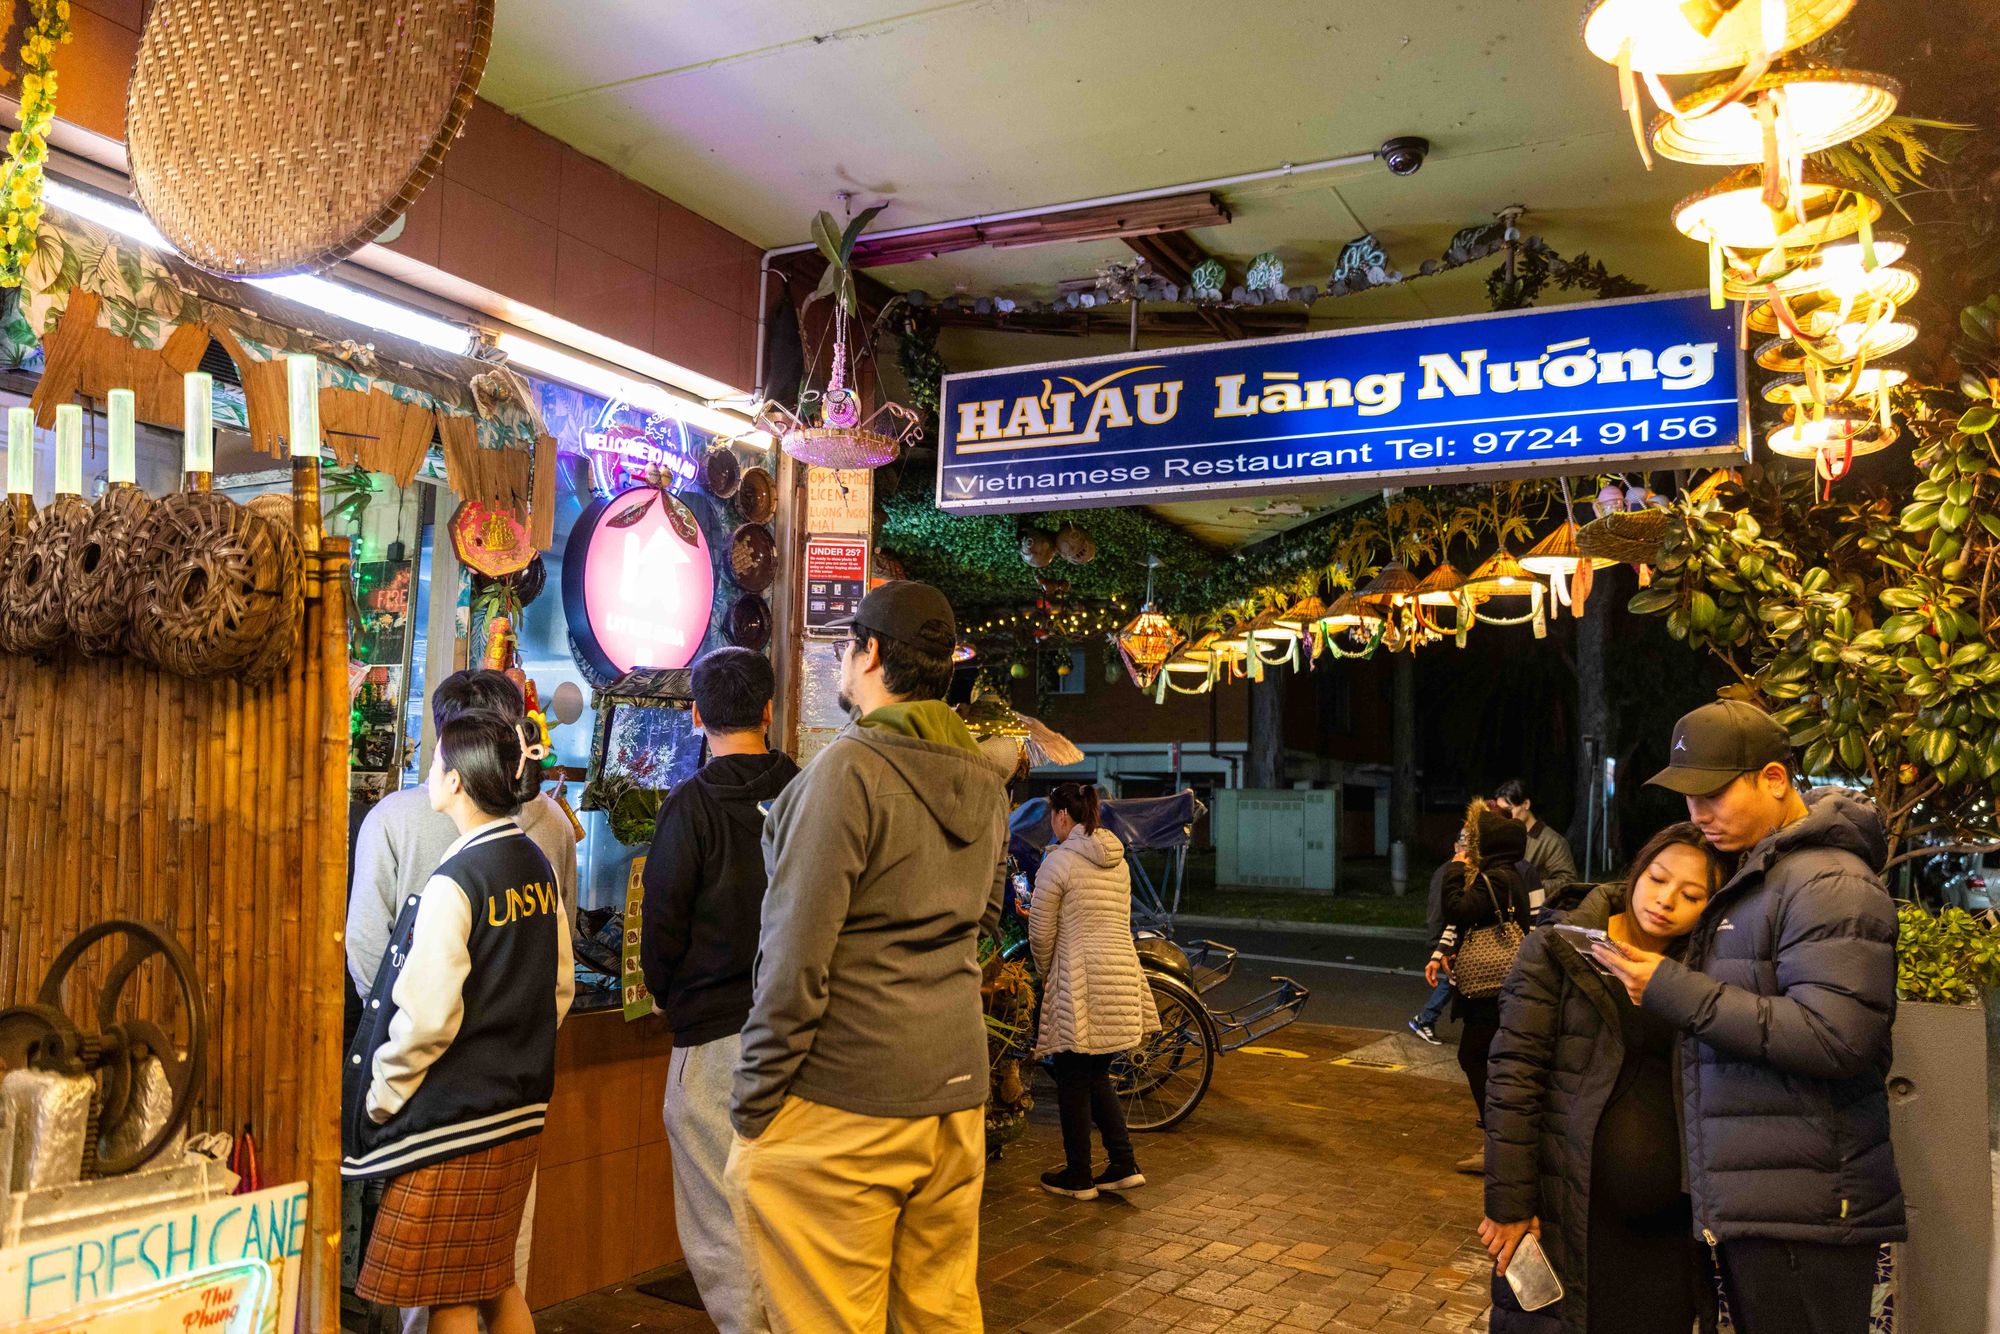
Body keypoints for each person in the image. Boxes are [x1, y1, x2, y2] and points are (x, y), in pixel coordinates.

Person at [729, 581, 1009, 1333]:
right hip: (954, 1094)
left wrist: (752, 1104)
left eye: (845, 647)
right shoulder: (985, 777)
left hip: (847, 1101)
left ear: (871, 653)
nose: (840, 664)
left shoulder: (847, 772)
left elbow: (793, 959)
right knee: (940, 1316)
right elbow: (984, 917)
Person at [1594, 700, 1905, 1334]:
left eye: (1711, 794)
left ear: (1773, 778)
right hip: (1768, 1195)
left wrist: (1671, 989)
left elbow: (1835, 1037)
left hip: (1806, 1206)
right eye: (1687, 798)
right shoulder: (1768, 874)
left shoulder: (1828, 882)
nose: (1696, 814)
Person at [346, 669, 578, 1329]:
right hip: (518, 1104)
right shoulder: (536, 852)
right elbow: (556, 984)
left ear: (457, 772)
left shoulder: (453, 878)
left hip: (444, 1109)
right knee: (498, 1278)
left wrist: (385, 1091)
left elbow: (416, 1011)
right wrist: (511, 1043)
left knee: (445, 1291)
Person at [1479, 823, 1725, 1334]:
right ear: (1637, 870)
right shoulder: (1558, 949)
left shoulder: (1703, 972)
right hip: (1573, 1214)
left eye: (1692, 894)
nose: (1665, 900)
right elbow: (1513, 1077)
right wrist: (1508, 1203)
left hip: (1669, 1231)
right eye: (1657, 879)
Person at [639, 648, 798, 1334]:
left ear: (696, 714)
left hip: (712, 1040)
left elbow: (661, 927)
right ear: (768, 710)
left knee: (721, 1218)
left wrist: (675, 1001)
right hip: (802, 1034)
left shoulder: (690, 805)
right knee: (793, 1213)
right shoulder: (807, 789)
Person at [1029, 781, 1159, 1201]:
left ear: (1063, 816)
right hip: (1120, 975)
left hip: (1080, 979)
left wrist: (1047, 973)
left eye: (1053, 816)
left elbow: (1041, 931)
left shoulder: (1059, 863)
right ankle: (1123, 1164)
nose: (1052, 824)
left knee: (1070, 1075)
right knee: (1096, 1073)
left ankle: (1079, 1175)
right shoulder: (1117, 861)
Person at [1441, 809, 1533, 1171]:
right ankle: (1497, 1141)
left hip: (1488, 990)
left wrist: (1455, 868)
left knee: (1475, 1057)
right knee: (1486, 1059)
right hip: (1501, 987)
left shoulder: (1492, 878)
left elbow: (1455, 908)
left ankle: (1495, 1143)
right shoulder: (1510, 875)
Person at [1410, 822, 1475, 1046]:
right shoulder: (1447, 872)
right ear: (1455, 846)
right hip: (1446, 939)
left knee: (1454, 979)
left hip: (1453, 938)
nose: (1466, 852)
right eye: (1463, 846)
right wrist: (1439, 944)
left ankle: (1425, 1019)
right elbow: (1438, 910)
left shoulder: (1461, 870)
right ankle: (1424, 1019)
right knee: (1452, 979)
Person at [1494, 778, 1578, 891]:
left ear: (1526, 804)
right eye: (1501, 812)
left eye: (1508, 810)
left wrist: (1530, 885)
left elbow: (1568, 881)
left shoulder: (1552, 841)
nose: (1504, 817)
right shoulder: (1504, 836)